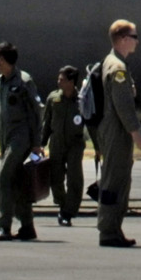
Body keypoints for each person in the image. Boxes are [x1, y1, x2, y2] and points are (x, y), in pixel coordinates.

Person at [90, 21, 141, 248]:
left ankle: (113, 229)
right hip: (117, 131)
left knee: (118, 178)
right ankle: (108, 230)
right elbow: (123, 105)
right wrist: (136, 132)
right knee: (114, 180)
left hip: (111, 129)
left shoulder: (113, 63)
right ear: (123, 39)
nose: (137, 40)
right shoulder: (118, 68)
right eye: (134, 36)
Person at [0, 42, 46, 242]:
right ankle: (27, 227)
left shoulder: (24, 81)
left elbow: (35, 113)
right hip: (5, 137)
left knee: (4, 178)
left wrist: (36, 143)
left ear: (3, 60)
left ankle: (3, 227)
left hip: (20, 138)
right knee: (18, 183)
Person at [43, 66, 87, 227]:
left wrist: (98, 146)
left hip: (75, 143)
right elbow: (46, 123)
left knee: (75, 179)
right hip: (56, 142)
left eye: (62, 79)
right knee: (56, 178)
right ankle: (63, 205)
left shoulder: (82, 100)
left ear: (71, 82)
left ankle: (68, 212)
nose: (58, 82)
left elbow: (91, 123)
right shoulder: (53, 99)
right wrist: (40, 144)